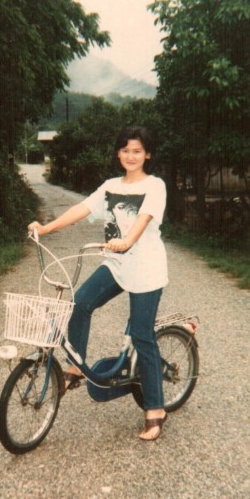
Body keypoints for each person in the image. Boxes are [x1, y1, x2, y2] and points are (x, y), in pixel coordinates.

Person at [28, 126, 168, 441]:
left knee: (143, 337)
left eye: (137, 150)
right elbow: (82, 209)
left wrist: (126, 240)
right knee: (80, 303)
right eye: (125, 150)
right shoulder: (110, 186)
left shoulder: (155, 186)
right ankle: (76, 368)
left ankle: (155, 410)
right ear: (118, 153)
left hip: (146, 269)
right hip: (117, 265)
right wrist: (46, 228)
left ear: (147, 154)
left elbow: (143, 218)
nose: (131, 156)